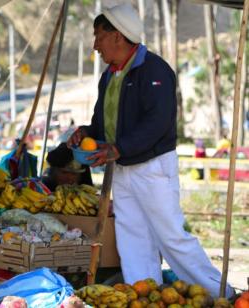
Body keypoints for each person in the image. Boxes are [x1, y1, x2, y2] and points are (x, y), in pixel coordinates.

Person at [66, 3, 233, 298]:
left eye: (99, 37)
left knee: (171, 237)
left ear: (117, 36)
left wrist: (118, 147)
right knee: (132, 237)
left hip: (152, 167)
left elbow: (156, 122)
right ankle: (143, 296)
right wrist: (87, 133)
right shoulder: (109, 75)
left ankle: (221, 295)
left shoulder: (155, 71)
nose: (95, 46)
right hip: (122, 168)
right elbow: (101, 122)